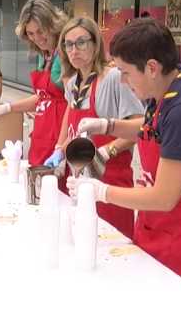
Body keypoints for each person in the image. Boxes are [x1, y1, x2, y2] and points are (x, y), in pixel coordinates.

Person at [68, 18, 181, 301]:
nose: (122, 81)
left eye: (125, 72)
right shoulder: (164, 96)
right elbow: (150, 130)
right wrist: (107, 125)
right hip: (162, 226)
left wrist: (101, 191)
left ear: (152, 68)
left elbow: (164, 197)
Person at [45, 17, 144, 238]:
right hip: (80, 179)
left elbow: (141, 127)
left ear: (95, 44)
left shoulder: (115, 79)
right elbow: (70, 115)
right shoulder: (72, 82)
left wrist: (106, 152)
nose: (74, 50)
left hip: (111, 182)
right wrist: (60, 148)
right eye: (68, 44)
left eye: (81, 42)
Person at [0, 0, 69, 165]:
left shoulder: (66, 53)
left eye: (41, 31)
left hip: (61, 136)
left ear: (53, 25)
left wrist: (61, 147)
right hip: (42, 132)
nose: (37, 38)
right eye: (31, 33)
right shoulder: (44, 54)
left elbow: (73, 103)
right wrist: (9, 107)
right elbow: (43, 97)